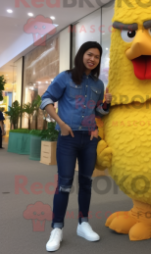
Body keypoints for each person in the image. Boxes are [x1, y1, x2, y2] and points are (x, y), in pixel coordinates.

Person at [40, 41, 112, 252]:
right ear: (81, 55)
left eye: (97, 57)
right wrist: (60, 124)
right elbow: (46, 99)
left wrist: (106, 104)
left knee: (87, 182)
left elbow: (98, 112)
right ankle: (57, 228)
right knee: (64, 183)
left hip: (89, 139)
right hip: (68, 138)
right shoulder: (65, 77)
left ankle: (83, 223)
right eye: (89, 54)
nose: (92, 59)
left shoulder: (98, 85)